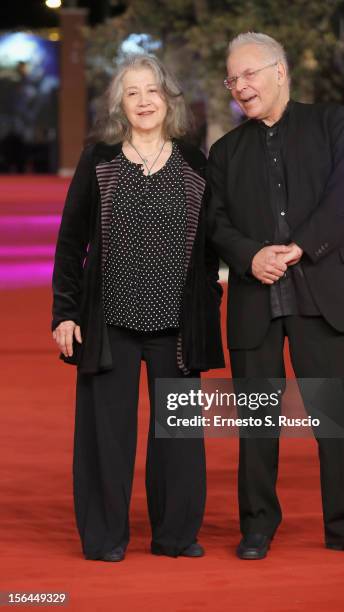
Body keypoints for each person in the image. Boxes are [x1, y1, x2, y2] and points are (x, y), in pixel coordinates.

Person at [207, 32, 344, 559]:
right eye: (232, 79)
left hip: (321, 287)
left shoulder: (330, 123)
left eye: (249, 74)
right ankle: (258, 526)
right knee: (257, 422)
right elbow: (214, 223)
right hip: (254, 296)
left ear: (280, 71)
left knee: (336, 415)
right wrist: (249, 256)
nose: (240, 87)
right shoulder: (224, 151)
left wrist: (296, 248)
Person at [52, 54, 224, 562]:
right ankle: (105, 538)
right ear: (120, 103)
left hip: (176, 325)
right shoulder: (98, 160)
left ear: (168, 98)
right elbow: (70, 243)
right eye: (133, 92)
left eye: (152, 91)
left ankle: (175, 535)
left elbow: (209, 248)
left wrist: (207, 304)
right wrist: (65, 312)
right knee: (106, 436)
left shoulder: (195, 163)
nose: (144, 101)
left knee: (179, 437)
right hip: (108, 320)